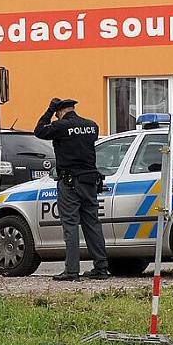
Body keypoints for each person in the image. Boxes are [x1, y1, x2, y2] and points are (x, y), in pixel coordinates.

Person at [34, 98, 109, 281]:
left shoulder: (60, 127)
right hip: (90, 182)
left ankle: (72, 270)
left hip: (70, 183)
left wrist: (49, 109)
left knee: (70, 225)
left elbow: (39, 131)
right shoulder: (92, 126)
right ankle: (101, 268)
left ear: (60, 112)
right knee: (92, 224)